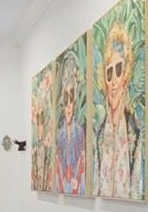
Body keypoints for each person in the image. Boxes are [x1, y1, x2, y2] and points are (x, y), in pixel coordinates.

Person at [93, 22, 144, 199]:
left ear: (126, 76)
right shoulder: (99, 136)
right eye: (109, 73)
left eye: (118, 69)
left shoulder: (135, 132)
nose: (113, 80)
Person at [55, 52, 85, 194]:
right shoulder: (59, 133)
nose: (68, 106)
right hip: (63, 185)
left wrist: (76, 178)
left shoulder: (79, 130)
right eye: (65, 100)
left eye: (70, 100)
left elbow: (82, 159)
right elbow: (59, 160)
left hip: (76, 187)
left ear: (74, 102)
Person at [31, 69, 54, 191]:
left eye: (42, 119)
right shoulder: (34, 154)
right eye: (37, 118)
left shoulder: (49, 154)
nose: (39, 125)